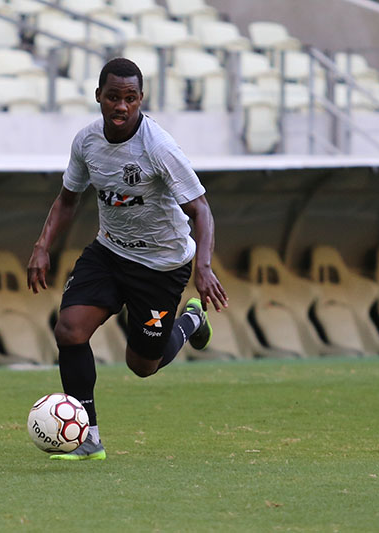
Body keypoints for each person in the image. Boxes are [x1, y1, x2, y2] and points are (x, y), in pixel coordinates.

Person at [27, 57, 228, 461]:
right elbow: (68, 200)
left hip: (161, 266)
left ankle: (190, 321)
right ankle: (88, 437)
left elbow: (201, 209)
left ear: (140, 100)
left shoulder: (159, 148)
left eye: (130, 99)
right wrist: (42, 245)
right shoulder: (86, 142)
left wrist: (203, 267)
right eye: (113, 97)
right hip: (110, 252)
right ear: (99, 96)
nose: (121, 106)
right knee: (69, 330)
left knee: (142, 365)